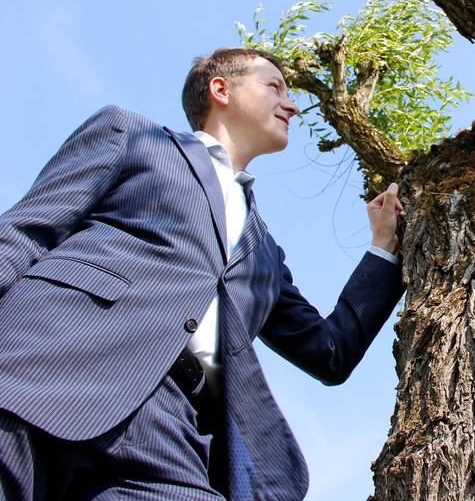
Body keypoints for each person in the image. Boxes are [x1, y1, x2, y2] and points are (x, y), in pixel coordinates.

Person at [0, 48, 405, 500]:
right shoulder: (131, 135)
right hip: (43, 362)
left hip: (170, 428)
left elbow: (330, 351)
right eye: (275, 86)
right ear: (221, 89)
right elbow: (23, 233)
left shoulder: (264, 253)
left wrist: (383, 248)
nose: (292, 104)